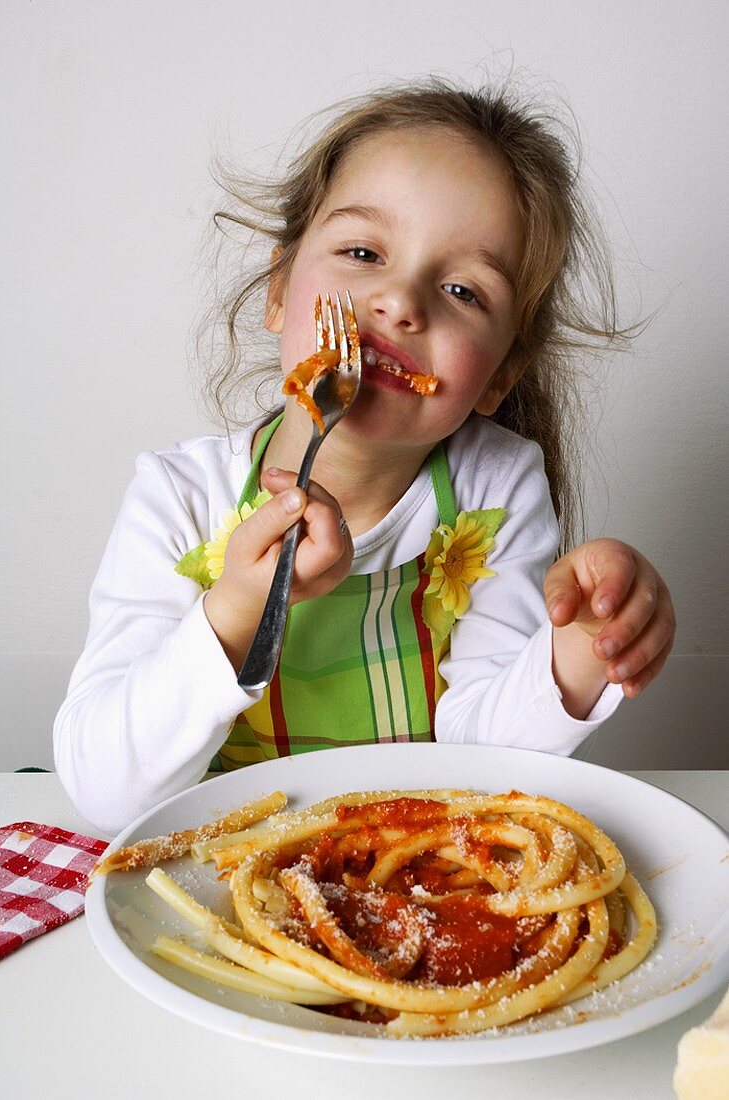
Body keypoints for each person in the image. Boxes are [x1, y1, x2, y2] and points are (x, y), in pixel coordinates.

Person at [53, 80, 675, 835]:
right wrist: (238, 609)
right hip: (223, 880)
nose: (399, 300)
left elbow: (490, 768)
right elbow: (105, 796)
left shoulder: (493, 486)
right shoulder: (180, 497)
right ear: (279, 289)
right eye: (361, 252)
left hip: (416, 878)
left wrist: (576, 652)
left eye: (461, 290)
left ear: (499, 376)